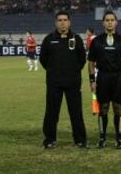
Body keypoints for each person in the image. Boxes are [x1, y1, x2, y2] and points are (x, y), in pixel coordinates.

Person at [39, 11, 87, 149]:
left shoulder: (76, 39)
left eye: (65, 20)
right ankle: (49, 139)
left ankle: (80, 140)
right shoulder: (49, 39)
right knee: (51, 112)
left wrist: (72, 72)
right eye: (59, 20)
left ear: (69, 22)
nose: (62, 22)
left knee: (76, 112)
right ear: (56, 22)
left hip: (73, 82)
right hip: (54, 83)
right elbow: (43, 59)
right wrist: (54, 72)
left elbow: (82, 59)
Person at [88, 11, 121, 149]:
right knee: (103, 108)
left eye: (112, 20)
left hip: (118, 77)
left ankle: (119, 138)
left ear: (116, 22)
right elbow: (91, 62)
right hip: (102, 76)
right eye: (107, 20)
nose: (109, 22)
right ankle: (102, 137)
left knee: (118, 108)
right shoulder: (97, 41)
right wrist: (92, 80)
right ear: (103, 23)